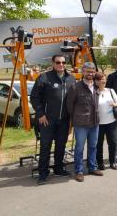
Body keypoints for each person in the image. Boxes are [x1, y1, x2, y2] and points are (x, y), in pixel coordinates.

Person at [30, 54, 76, 185]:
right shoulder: (44, 78)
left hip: (64, 120)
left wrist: (72, 119)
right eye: (58, 62)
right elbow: (34, 97)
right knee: (45, 147)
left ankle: (58, 169)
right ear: (53, 63)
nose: (61, 64)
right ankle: (43, 173)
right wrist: (40, 114)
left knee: (61, 146)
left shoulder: (71, 79)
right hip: (47, 120)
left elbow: (73, 100)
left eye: (63, 62)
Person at [66, 62, 102, 182]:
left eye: (92, 71)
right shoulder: (75, 87)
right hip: (81, 123)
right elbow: (69, 106)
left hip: (94, 122)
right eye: (87, 71)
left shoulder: (97, 87)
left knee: (93, 146)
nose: (90, 73)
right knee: (80, 148)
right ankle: (79, 171)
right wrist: (75, 118)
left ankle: (92, 167)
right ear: (83, 72)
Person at [95, 73, 117, 171]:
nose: (104, 81)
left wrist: (114, 104)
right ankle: (100, 163)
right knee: (99, 144)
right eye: (101, 79)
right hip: (99, 123)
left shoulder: (111, 91)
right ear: (96, 81)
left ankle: (112, 162)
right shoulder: (94, 92)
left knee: (113, 143)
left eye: (105, 79)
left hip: (111, 122)